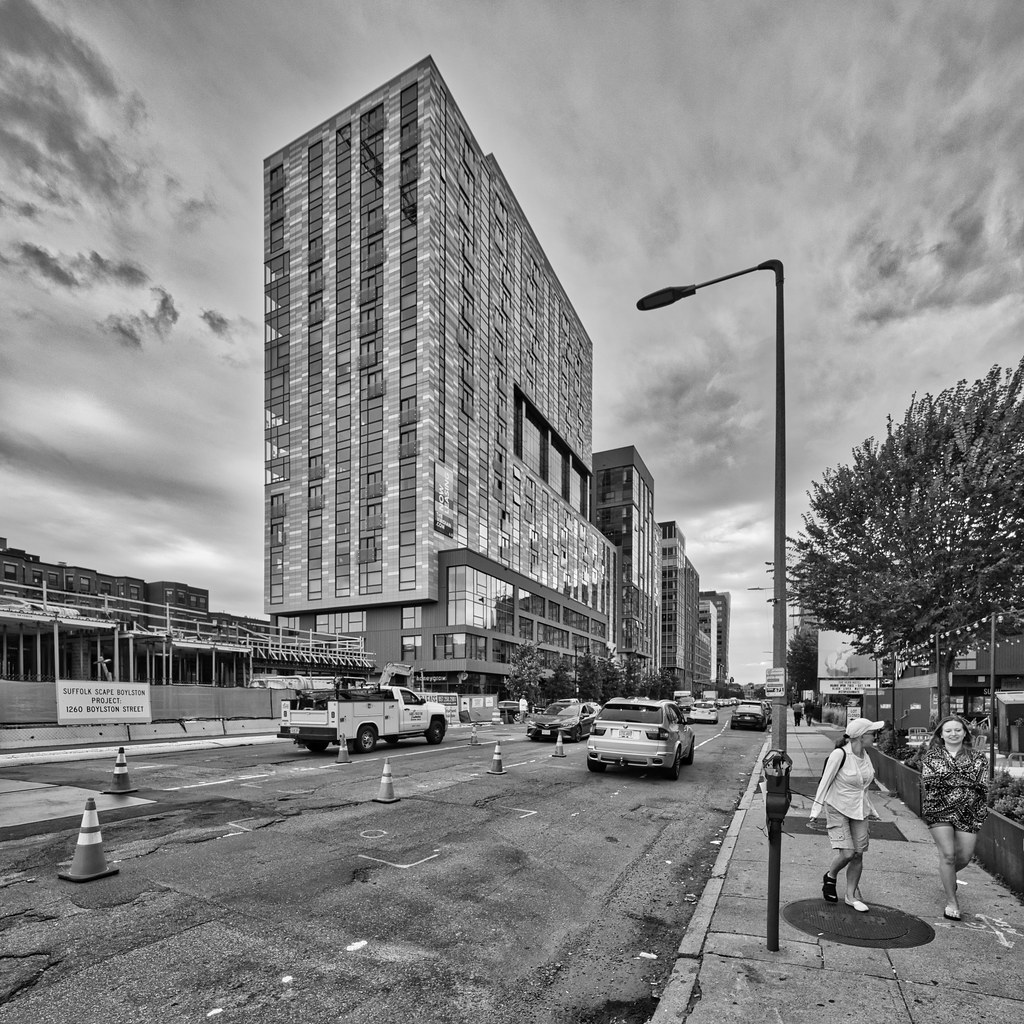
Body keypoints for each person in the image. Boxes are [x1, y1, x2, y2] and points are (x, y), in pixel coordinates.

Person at [808, 718, 884, 912]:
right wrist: (815, 810)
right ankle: (831, 876)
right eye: (872, 733)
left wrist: (872, 810)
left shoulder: (865, 755)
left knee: (858, 854)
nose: (875, 736)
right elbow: (825, 782)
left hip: (859, 810)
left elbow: (863, 789)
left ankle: (851, 896)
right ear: (860, 736)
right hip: (838, 807)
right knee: (847, 853)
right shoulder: (839, 754)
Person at [921, 715, 989, 921]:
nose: (953, 734)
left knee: (964, 857)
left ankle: (948, 875)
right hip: (938, 809)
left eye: (957, 730)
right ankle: (952, 902)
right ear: (941, 734)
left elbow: (981, 783)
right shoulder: (931, 756)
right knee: (948, 856)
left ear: (965, 733)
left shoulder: (979, 757)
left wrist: (950, 778)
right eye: (948, 730)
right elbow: (932, 781)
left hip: (970, 811)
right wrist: (964, 779)